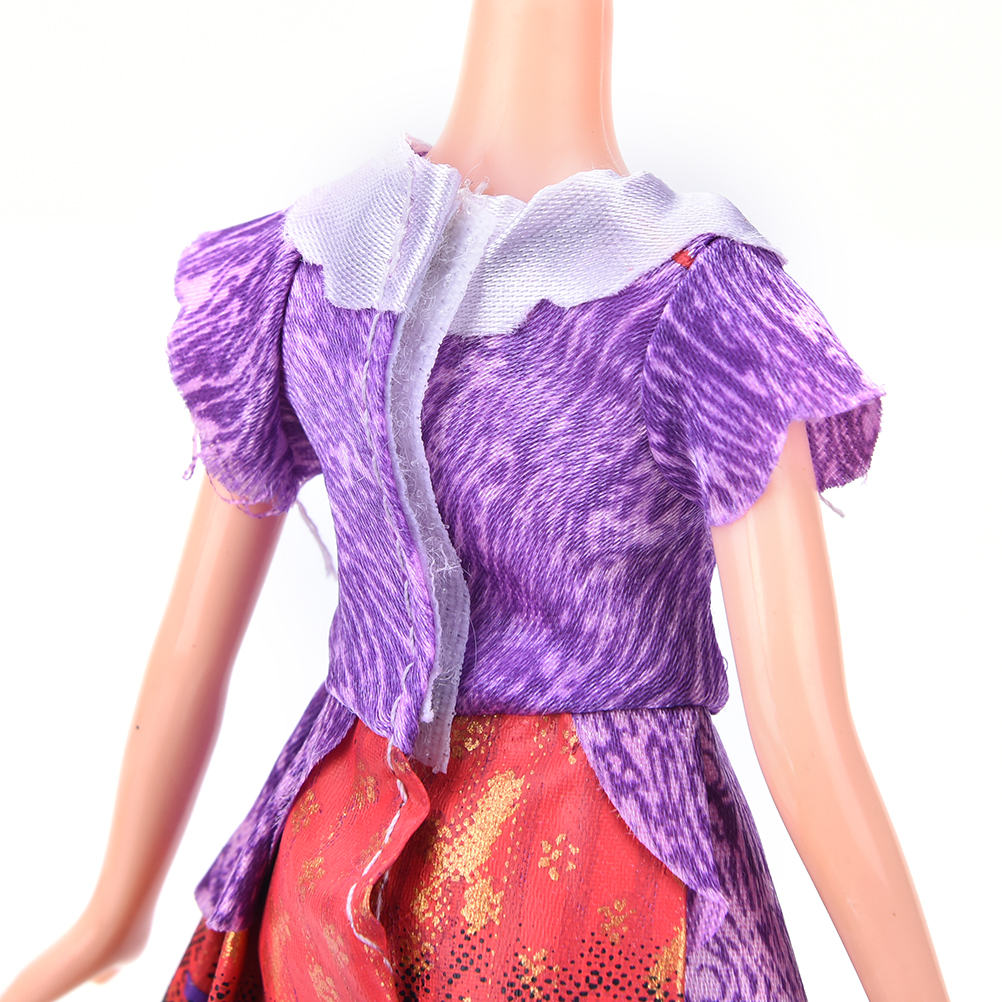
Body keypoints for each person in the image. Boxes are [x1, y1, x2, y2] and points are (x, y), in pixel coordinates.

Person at [0, 2, 952, 1001]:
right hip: (591, 893)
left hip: (331, 877)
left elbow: (192, 643)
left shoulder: (314, 270)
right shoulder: (699, 304)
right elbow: (804, 733)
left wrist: (112, 910)